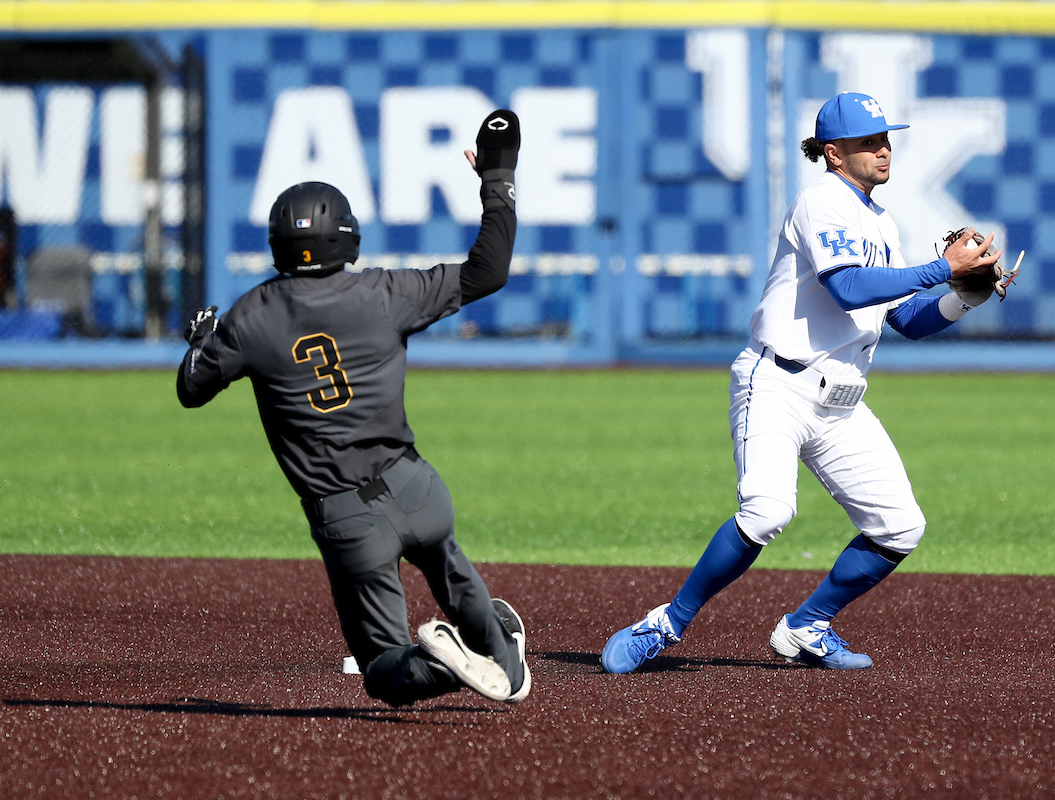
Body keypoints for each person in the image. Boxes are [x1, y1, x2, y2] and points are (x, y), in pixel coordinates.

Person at [601, 92, 1004, 673]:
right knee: (766, 512)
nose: (884, 149)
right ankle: (664, 624)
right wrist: (945, 268)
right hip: (778, 384)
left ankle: (806, 627)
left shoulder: (882, 223)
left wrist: (962, 298)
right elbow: (848, 288)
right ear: (835, 154)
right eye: (870, 142)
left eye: (886, 138)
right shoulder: (820, 203)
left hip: (840, 403)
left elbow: (902, 320)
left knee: (900, 527)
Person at [177, 110, 531, 705]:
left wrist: (198, 344)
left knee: (384, 671)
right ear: (347, 235)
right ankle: (498, 653)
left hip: (345, 516)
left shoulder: (250, 317)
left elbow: (191, 389)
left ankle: (441, 664)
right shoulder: (386, 293)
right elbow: (489, 270)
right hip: (414, 485)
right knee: (446, 559)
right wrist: (497, 177)